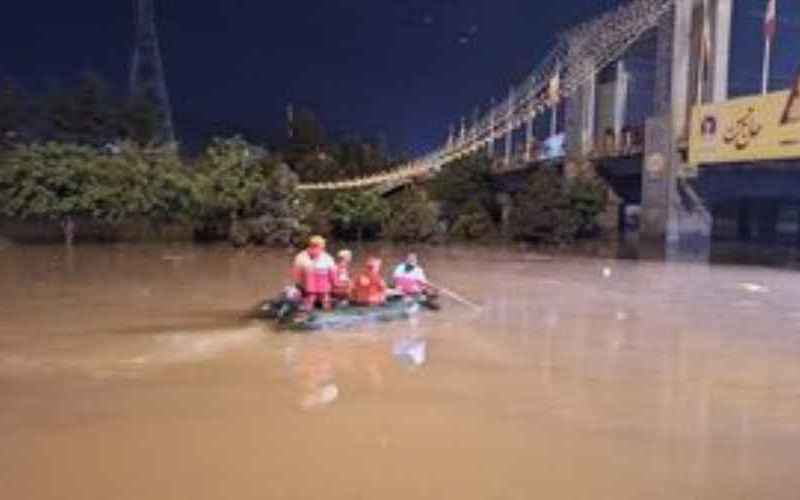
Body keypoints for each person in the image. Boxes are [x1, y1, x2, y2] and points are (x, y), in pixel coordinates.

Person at [292, 235, 337, 311]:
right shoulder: (327, 258)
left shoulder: (301, 256)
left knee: (312, 298)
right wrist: (335, 284)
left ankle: (308, 310)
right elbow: (333, 274)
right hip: (321, 286)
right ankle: (325, 311)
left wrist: (299, 286)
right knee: (324, 299)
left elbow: (296, 275)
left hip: (310, 286)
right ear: (322, 247)